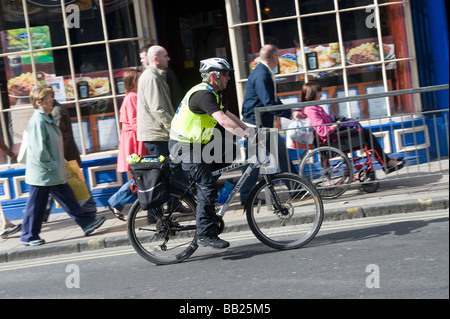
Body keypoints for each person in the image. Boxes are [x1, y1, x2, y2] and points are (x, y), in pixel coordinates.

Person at [169, 57, 251, 249]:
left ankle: (206, 202)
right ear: (213, 76)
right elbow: (222, 120)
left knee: (229, 152)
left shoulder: (210, 94)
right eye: (225, 74)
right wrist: (247, 137)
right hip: (183, 147)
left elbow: (228, 114)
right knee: (207, 184)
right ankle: (205, 233)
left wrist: (249, 131)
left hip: (197, 146)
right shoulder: (202, 95)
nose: (228, 78)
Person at [20, 85, 105, 246]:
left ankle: (87, 223)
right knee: (35, 206)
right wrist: (53, 165)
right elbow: (40, 151)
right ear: (38, 102)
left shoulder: (47, 117)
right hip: (43, 173)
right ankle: (28, 236)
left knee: (68, 198)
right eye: (48, 99)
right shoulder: (38, 120)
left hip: (53, 171)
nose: (52, 100)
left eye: (51, 97)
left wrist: (60, 162)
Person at [301, 81, 405, 173]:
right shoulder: (311, 110)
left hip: (332, 138)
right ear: (312, 94)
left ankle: (385, 159)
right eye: (319, 93)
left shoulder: (313, 107)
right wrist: (336, 125)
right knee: (365, 134)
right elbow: (322, 131)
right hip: (331, 141)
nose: (321, 95)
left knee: (366, 133)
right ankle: (386, 162)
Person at [240, 44, 297, 204]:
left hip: (263, 125)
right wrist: (289, 113)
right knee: (254, 162)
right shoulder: (262, 74)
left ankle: (296, 188)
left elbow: (273, 99)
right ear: (274, 57)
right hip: (257, 126)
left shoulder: (264, 72)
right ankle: (246, 196)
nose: (278, 59)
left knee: (281, 156)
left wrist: (289, 111)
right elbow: (269, 102)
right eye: (278, 56)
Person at [43, 100, 97, 222]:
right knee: (58, 185)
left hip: (64, 156)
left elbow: (61, 137)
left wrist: (59, 156)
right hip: (64, 156)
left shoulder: (55, 111)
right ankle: (43, 213)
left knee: (73, 182)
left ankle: (89, 207)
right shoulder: (56, 109)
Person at [107, 69, 147, 221]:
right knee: (140, 177)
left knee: (141, 177)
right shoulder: (132, 97)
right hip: (135, 142)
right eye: (139, 79)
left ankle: (152, 211)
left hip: (134, 140)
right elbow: (135, 122)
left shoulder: (132, 97)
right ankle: (115, 201)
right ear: (133, 82)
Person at [139, 44, 182, 111]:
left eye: (142, 58)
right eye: (165, 56)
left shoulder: (162, 73)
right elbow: (156, 108)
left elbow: (175, 96)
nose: (141, 61)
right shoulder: (151, 76)